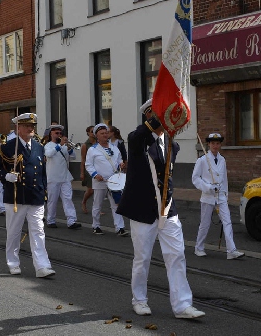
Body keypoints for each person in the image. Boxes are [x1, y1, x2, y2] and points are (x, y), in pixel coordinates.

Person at [124, 99, 204, 320]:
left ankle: (182, 305)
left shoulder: (171, 144)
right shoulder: (138, 140)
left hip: (167, 208)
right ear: (149, 116)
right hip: (143, 209)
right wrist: (160, 116)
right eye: (159, 114)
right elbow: (138, 136)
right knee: (142, 258)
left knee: (176, 255)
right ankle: (139, 300)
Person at [0, 113, 55, 277]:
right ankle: (13, 262)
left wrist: (44, 192)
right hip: (16, 196)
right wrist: (6, 176)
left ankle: (42, 266)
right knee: (14, 232)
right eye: (27, 126)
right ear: (18, 129)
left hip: (35, 195)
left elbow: (42, 172)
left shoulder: (39, 146)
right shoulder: (8, 147)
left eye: (32, 126)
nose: (31, 128)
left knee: (38, 231)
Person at [192, 132, 244, 260]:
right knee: (205, 224)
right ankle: (199, 248)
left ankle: (231, 251)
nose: (215, 146)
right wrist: (208, 187)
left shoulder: (222, 160)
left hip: (221, 196)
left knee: (227, 222)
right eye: (213, 143)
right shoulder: (202, 160)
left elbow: (224, 179)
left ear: (220, 145)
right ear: (209, 144)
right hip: (208, 196)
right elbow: (195, 179)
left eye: (217, 143)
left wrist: (226, 195)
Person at [84, 124, 127, 236]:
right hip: (100, 180)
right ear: (97, 136)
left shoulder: (114, 148)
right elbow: (88, 165)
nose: (105, 135)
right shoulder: (93, 150)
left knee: (116, 204)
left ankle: (120, 227)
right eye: (102, 133)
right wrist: (95, 175)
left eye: (106, 133)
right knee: (97, 204)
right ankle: (96, 226)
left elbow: (119, 160)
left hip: (114, 181)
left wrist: (121, 164)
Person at [43, 125, 81, 230]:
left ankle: (71, 221)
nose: (59, 135)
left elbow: (73, 157)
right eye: (57, 133)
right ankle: (51, 220)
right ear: (51, 134)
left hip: (65, 177)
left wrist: (69, 149)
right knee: (52, 200)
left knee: (68, 199)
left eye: (60, 133)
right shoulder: (48, 145)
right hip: (53, 177)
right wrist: (60, 145)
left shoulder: (64, 146)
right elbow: (49, 154)